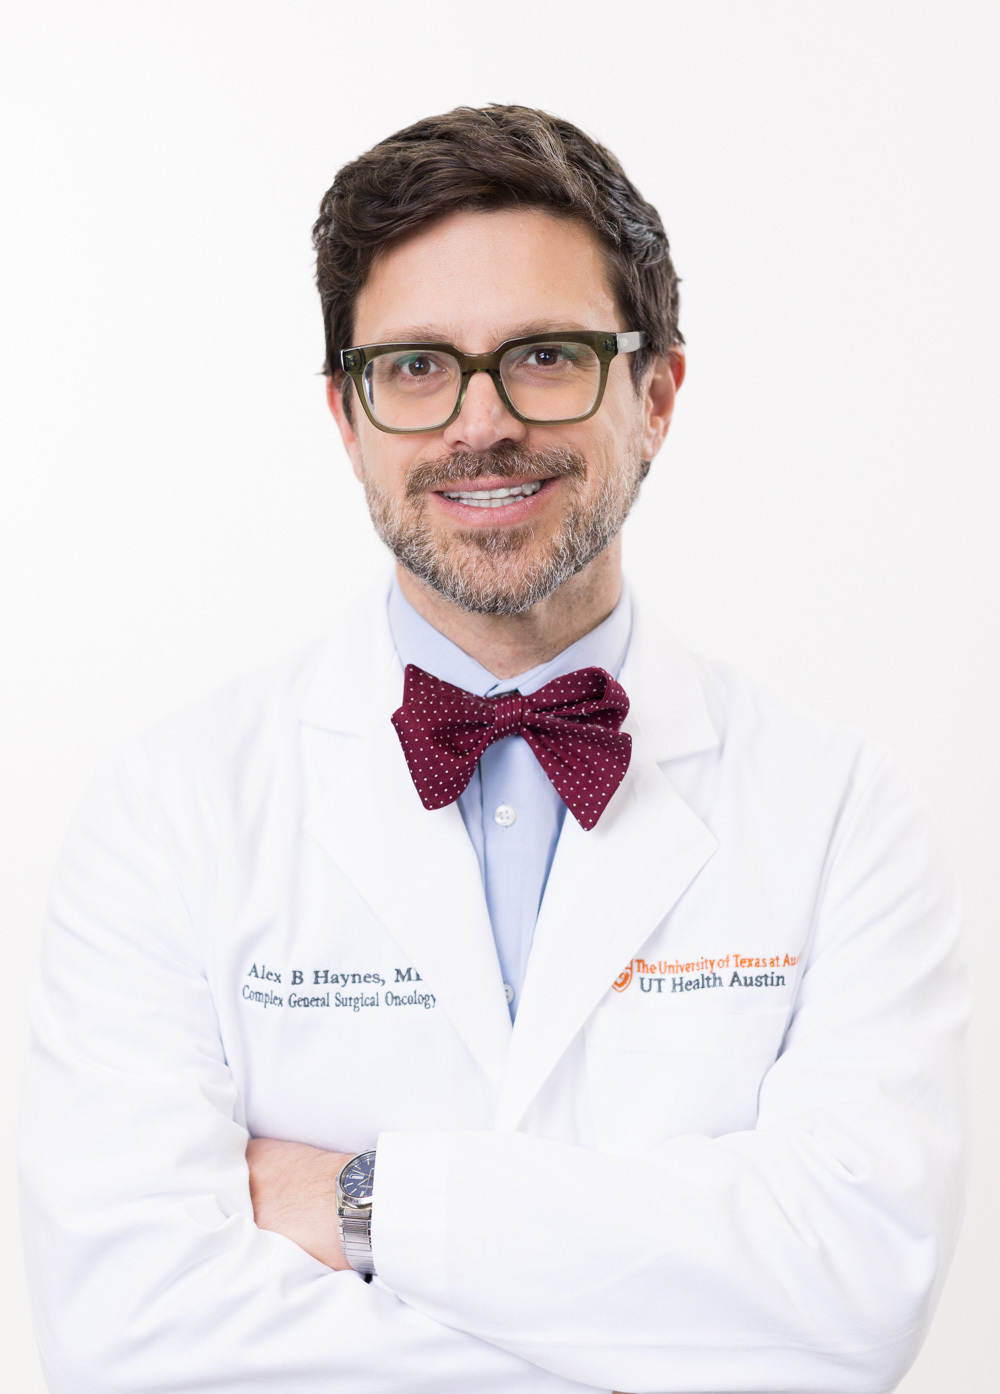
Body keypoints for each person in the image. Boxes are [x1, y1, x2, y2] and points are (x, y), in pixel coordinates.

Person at [19, 105, 969, 1394]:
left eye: (543, 356)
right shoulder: (169, 811)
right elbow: (131, 1333)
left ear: (657, 392)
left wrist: (364, 1203)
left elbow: (854, 1299)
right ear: (347, 419)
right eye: (414, 367)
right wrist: (671, 1312)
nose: (478, 423)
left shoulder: (842, 812)